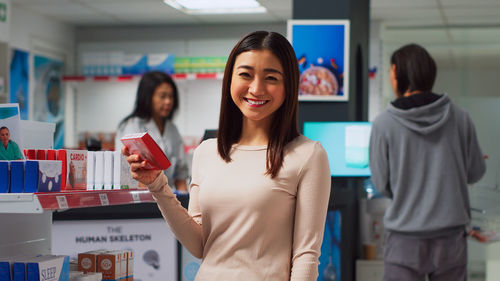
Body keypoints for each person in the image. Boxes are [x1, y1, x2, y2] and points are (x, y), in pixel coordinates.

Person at [123, 31, 331, 280]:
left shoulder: (307, 155)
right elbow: (198, 245)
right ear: (230, 80)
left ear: (289, 86)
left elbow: (306, 256)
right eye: (245, 75)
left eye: (271, 77)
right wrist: (158, 185)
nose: (256, 88)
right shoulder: (207, 152)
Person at [369, 43, 486, 281]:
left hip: (404, 238)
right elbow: (475, 172)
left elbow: (382, 184)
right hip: (450, 239)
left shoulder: (384, 124)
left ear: (396, 73)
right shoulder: (460, 117)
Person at [115, 71, 189, 192]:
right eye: (162, 96)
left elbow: (181, 175)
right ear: (148, 97)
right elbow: (129, 174)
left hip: (169, 201)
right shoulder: (131, 127)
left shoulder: (172, 130)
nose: (168, 101)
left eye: (171, 96)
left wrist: (185, 205)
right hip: (142, 201)